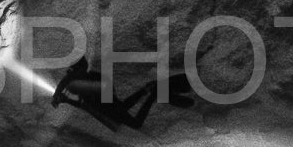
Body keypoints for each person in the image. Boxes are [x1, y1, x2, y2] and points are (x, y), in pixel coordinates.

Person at [51, 56, 194, 131]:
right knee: (124, 108)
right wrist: (63, 98)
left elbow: (82, 102)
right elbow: (80, 97)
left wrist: (61, 98)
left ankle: (152, 93)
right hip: (106, 104)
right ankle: (148, 91)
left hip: (105, 105)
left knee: (134, 122)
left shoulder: (85, 81)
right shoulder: (86, 79)